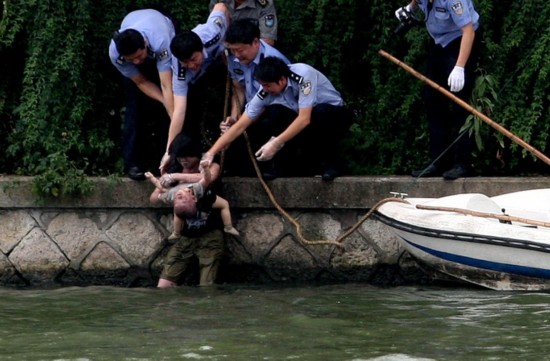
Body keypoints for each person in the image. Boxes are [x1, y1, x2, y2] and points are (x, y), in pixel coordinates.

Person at [200, 56, 352, 181]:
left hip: (331, 116)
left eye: (267, 86)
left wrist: (276, 143)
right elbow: (241, 125)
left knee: (320, 112)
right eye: (262, 85)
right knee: (276, 113)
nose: (265, 89)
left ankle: (330, 165)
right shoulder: (265, 90)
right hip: (301, 120)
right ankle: (282, 166)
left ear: (281, 80)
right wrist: (211, 153)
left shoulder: (304, 76)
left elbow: (304, 118)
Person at [395, 0, 481, 180]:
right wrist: (410, 8)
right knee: (433, 102)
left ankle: (463, 163)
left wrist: (459, 67)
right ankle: (439, 160)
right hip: (439, 44)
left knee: (460, 105)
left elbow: (468, 31)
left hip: (460, 42)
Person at [159, 3, 230, 173]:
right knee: (190, 112)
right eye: (185, 62)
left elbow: (221, 6)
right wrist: (169, 151)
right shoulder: (180, 69)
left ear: (200, 49)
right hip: (198, 80)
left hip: (221, 62)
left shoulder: (212, 33)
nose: (191, 65)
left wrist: (231, 34)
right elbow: (179, 110)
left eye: (193, 59)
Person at [109, 9, 176, 180]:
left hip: (165, 44)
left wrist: (172, 112)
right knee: (134, 107)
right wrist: (162, 100)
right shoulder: (115, 54)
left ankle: (171, 160)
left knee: (172, 108)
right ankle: (133, 163)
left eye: (138, 56)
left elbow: (166, 86)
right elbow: (140, 82)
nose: (137, 62)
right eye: (131, 59)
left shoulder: (160, 40)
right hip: (139, 73)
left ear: (145, 43)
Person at [220, 18, 291, 175]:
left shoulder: (273, 59)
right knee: (232, 131)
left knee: (272, 118)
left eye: (241, 50)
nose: (237, 55)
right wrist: (233, 118)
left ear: (255, 42)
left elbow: (274, 97)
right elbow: (238, 89)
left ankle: (275, 168)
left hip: (275, 107)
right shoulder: (233, 58)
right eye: (233, 50)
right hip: (251, 109)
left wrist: (243, 121)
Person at [209, 0, 278, 45]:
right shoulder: (219, 1)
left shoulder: (264, 4)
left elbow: (267, 41)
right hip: (221, 49)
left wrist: (241, 51)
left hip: (250, 53)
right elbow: (213, 30)